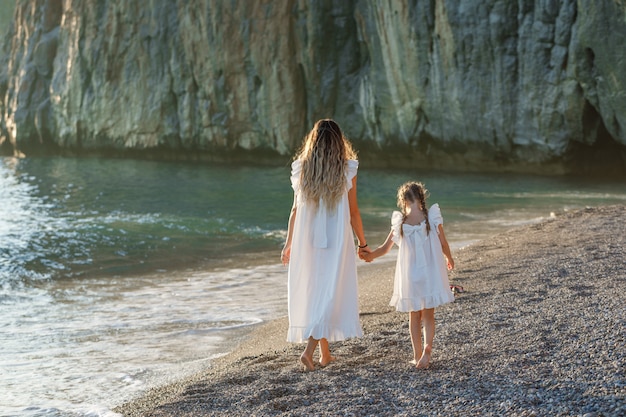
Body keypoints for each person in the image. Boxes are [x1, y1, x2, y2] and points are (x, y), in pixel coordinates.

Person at [281, 119, 371, 371]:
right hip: (335, 239)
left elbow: (295, 210)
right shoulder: (347, 169)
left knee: (316, 290)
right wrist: (363, 243)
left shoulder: (302, 169)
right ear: (339, 142)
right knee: (329, 291)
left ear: (313, 142)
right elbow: (353, 212)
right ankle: (309, 351)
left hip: (305, 239)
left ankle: (325, 354)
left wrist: (289, 244)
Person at [362, 181, 454, 369]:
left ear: (403, 201)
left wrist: (369, 256)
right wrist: (449, 258)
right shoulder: (432, 218)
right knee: (428, 315)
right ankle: (428, 349)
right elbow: (443, 243)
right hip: (430, 272)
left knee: (414, 315)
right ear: (421, 198)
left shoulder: (400, 223)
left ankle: (417, 355)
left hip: (410, 275)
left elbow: (385, 248)